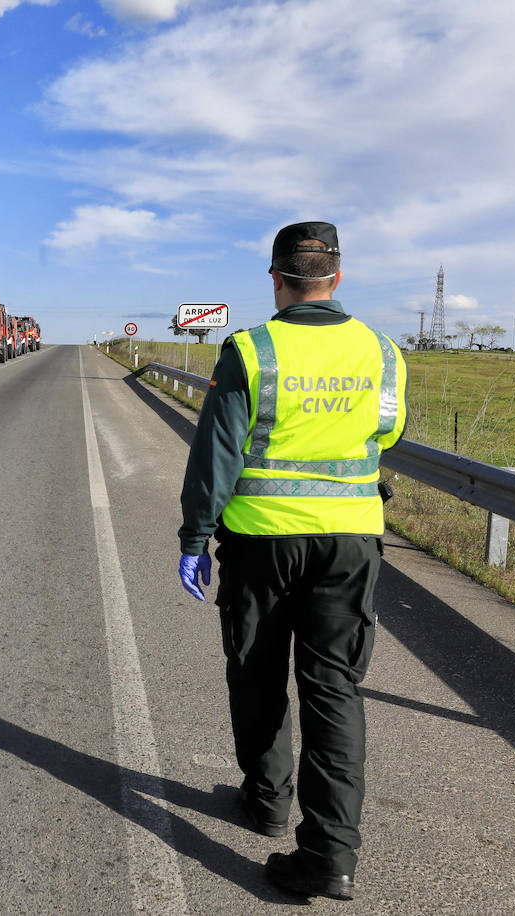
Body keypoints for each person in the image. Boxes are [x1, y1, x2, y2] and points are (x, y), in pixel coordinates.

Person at [176, 222, 407, 901]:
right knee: (334, 691)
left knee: (257, 673)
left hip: (261, 540)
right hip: (352, 539)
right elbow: (387, 429)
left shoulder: (251, 349)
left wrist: (194, 538)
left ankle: (267, 797)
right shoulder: (384, 352)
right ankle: (329, 858)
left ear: (276, 279)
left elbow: (215, 455)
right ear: (336, 278)